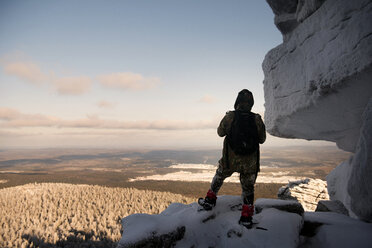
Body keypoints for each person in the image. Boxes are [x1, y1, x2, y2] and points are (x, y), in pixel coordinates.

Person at [199, 89, 266, 227]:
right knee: (248, 187)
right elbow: (262, 139)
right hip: (250, 162)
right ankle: (246, 216)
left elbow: (220, 132)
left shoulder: (230, 116)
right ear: (251, 103)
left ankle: (210, 200)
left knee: (219, 176)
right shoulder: (256, 119)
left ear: (237, 102)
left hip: (230, 160)